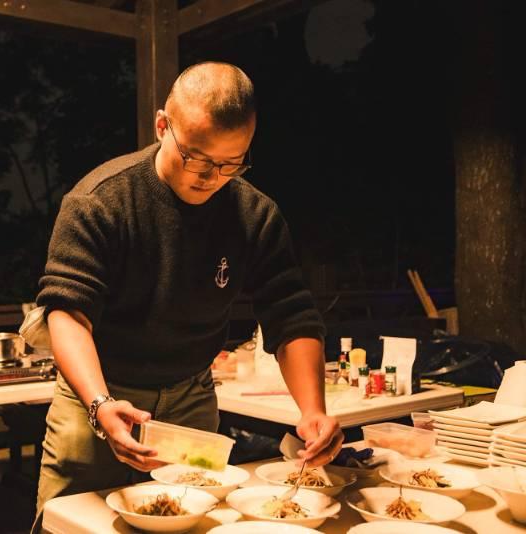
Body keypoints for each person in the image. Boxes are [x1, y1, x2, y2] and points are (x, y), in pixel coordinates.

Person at [34, 62, 344, 516]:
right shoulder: (101, 199)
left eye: (230, 163)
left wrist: (312, 410)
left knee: (192, 521)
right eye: (195, 156)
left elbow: (290, 313)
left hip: (191, 400)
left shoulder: (254, 215)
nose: (209, 176)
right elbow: (67, 311)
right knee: (72, 521)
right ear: (163, 126)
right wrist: (100, 404)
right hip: (98, 392)